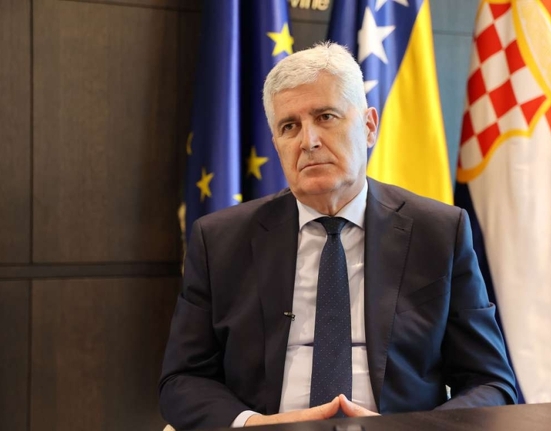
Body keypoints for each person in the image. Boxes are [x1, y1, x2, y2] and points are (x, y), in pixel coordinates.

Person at [159, 42, 517, 430]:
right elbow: (182, 380)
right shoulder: (220, 240)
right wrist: (253, 425)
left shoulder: (439, 232)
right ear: (276, 144)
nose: (308, 141)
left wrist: (409, 429)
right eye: (289, 126)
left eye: (326, 117)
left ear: (369, 126)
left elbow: (491, 382)